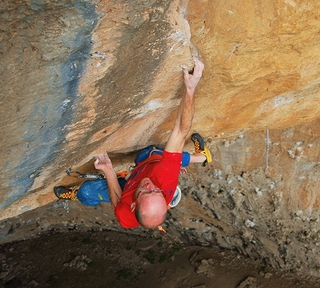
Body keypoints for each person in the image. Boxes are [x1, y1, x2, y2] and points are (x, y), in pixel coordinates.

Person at [55, 57, 211, 229]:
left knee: (86, 192)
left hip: (129, 184)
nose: (150, 185)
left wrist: (109, 170)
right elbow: (180, 131)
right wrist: (190, 88)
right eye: (156, 191)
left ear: (133, 205)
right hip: (150, 163)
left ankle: (76, 194)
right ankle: (202, 157)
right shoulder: (164, 178)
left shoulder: (126, 217)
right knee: (148, 154)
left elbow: (116, 204)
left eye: (146, 191)